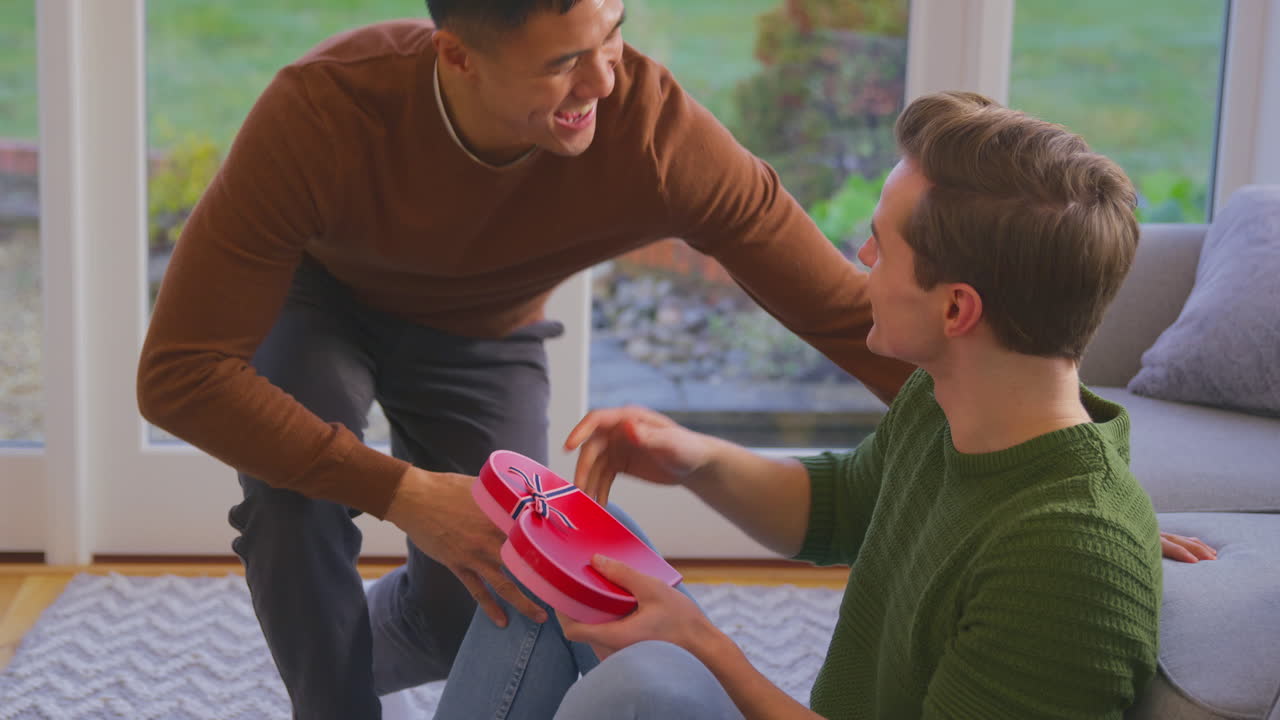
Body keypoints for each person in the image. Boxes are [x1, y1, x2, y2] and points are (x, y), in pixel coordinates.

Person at [135, 0, 917, 717]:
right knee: (292, 500)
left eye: (613, 32)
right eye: (563, 61)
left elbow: (844, 314)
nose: (605, 77)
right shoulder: (326, 109)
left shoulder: (652, 132)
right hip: (322, 300)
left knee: (485, 602)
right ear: (458, 56)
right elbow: (178, 374)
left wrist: (1023, 424)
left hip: (483, 333)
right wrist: (401, 490)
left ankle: (348, 641)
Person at [437, 90, 1196, 719]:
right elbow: (841, 506)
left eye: (881, 245)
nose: (859, 258)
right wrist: (693, 458)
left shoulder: (1065, 558)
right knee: (579, 547)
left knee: (642, 689)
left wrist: (708, 649)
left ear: (956, 310)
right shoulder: (951, 403)